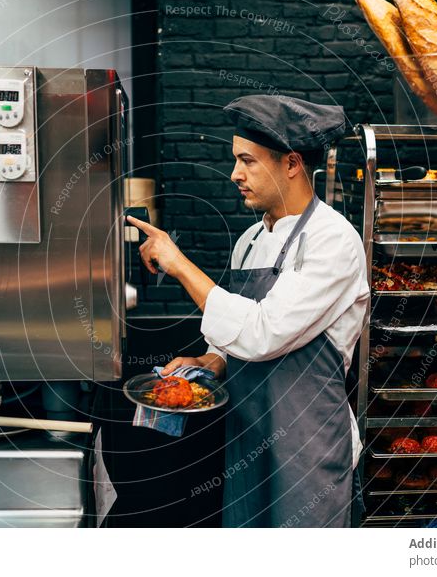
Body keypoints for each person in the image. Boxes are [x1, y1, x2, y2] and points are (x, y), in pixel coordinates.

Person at [126, 94, 369, 528]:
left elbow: (262, 333)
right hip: (248, 437)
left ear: (291, 164)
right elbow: (235, 337)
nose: (235, 174)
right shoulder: (250, 241)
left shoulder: (333, 240)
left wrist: (179, 263)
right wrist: (210, 360)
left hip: (308, 447)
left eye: (248, 161)